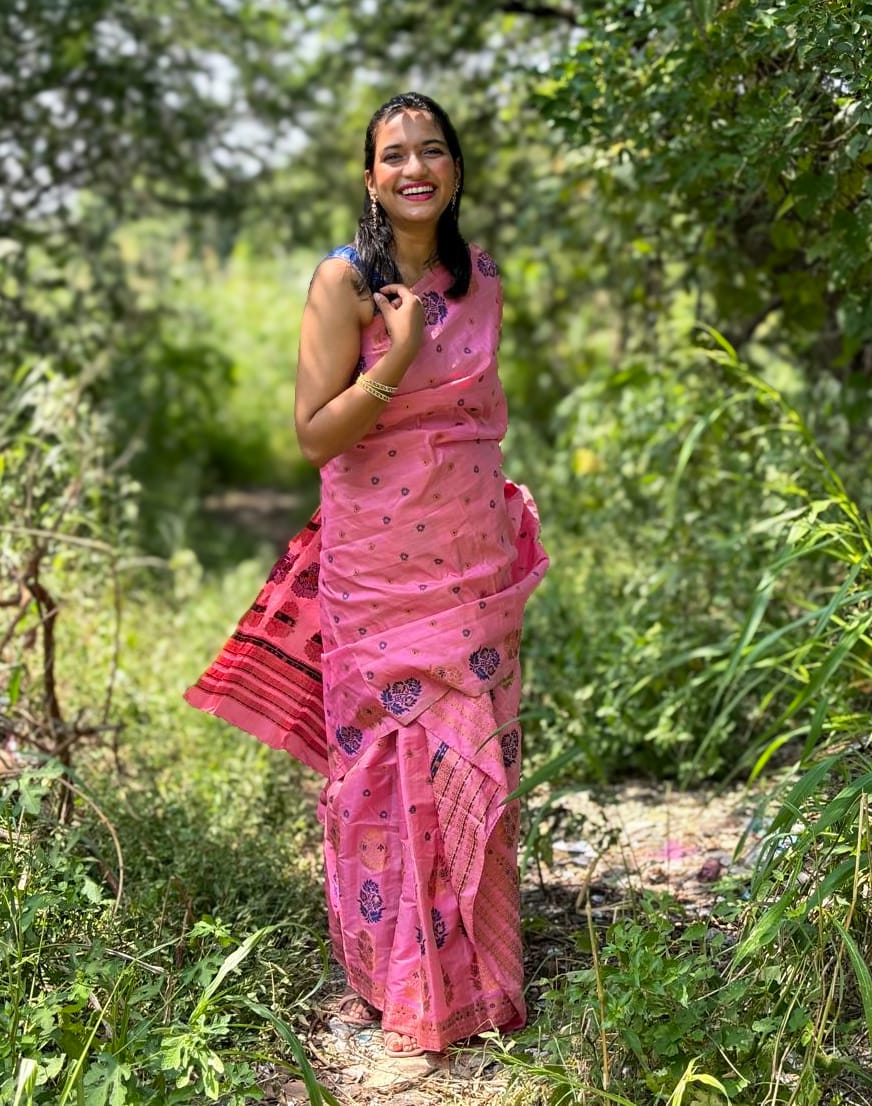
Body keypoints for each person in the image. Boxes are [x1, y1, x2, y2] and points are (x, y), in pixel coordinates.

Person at [185, 92, 548, 1059]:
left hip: (470, 562)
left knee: (477, 759)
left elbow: (480, 417)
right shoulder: (345, 284)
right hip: (378, 573)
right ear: (370, 177)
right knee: (381, 776)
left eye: (433, 151)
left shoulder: (486, 281)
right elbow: (315, 435)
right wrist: (405, 354)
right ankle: (387, 981)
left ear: (457, 170)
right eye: (395, 155)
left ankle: (478, 980)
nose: (415, 168)